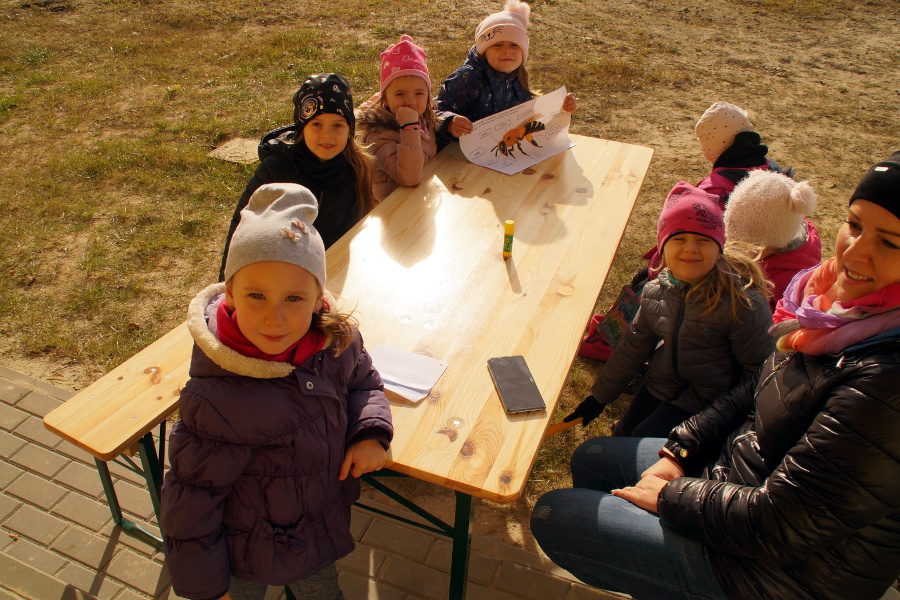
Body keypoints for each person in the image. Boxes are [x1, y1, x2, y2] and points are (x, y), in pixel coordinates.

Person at [531, 152, 900, 600]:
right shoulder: (825, 313)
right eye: (856, 224)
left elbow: (781, 524)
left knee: (555, 514)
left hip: (777, 573)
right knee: (592, 458)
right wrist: (681, 452)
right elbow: (754, 388)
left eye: (891, 242)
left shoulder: (884, 381)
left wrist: (670, 497)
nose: (854, 252)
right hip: (739, 474)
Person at [161, 183, 393, 600]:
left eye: (293, 297)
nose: (275, 318)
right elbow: (192, 502)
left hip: (315, 531)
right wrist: (207, 588)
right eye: (256, 296)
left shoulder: (335, 341)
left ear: (318, 298)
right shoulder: (218, 396)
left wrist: (369, 431)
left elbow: (364, 380)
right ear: (230, 293)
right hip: (244, 550)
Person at [578, 101, 786, 361]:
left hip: (723, 275)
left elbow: (688, 240)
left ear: (714, 145)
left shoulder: (717, 190)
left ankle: (606, 341)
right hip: (762, 276)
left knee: (649, 282)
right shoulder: (771, 171)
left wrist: (657, 266)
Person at [566, 181, 774, 438]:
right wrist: (599, 398)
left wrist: (729, 419)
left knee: (642, 441)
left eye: (703, 240)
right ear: (663, 247)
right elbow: (632, 349)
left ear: (719, 249)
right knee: (622, 437)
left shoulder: (742, 302)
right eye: (679, 239)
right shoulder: (655, 292)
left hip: (708, 397)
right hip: (660, 382)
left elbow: (759, 371)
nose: (690, 248)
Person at [219, 73, 377, 280]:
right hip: (279, 277)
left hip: (329, 275)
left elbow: (354, 234)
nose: (327, 135)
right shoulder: (275, 171)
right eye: (316, 124)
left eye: (337, 125)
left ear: (350, 130)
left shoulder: (356, 167)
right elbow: (239, 231)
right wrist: (226, 285)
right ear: (302, 128)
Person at [434, 0, 577, 150]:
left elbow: (532, 121)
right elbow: (433, 113)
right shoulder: (467, 78)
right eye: (497, 45)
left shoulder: (517, 79)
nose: (507, 50)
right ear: (484, 51)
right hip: (457, 157)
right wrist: (449, 122)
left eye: (515, 45)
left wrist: (562, 111)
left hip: (501, 156)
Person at [356, 35, 440, 201]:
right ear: (385, 98)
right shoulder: (378, 134)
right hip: (392, 209)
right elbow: (409, 178)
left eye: (419, 93)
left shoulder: (425, 121)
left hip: (418, 200)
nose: (410, 102)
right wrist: (409, 127)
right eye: (400, 94)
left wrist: (451, 122)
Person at [724, 169, 822, 311]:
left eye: (747, 245)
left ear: (772, 244)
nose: (734, 248)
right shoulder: (782, 234)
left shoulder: (791, 285)